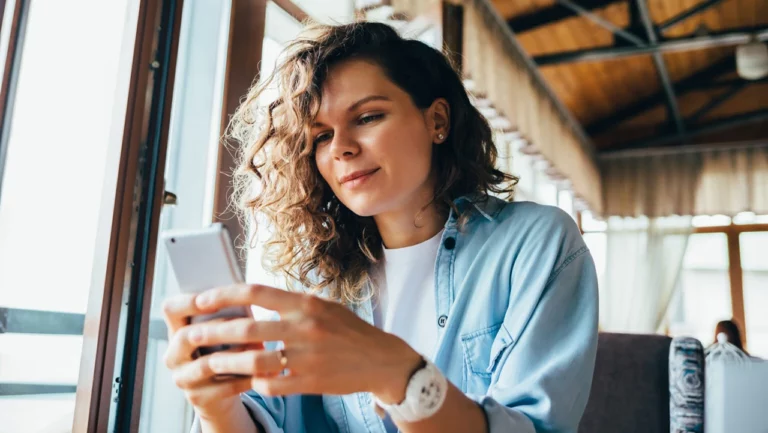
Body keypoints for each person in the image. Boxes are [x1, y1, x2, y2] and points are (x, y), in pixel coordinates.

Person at [162, 21, 598, 433]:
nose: (343, 149)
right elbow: (268, 416)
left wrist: (397, 374)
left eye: (368, 117)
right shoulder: (314, 279)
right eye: (321, 136)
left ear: (437, 121)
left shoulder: (536, 244)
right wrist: (215, 405)